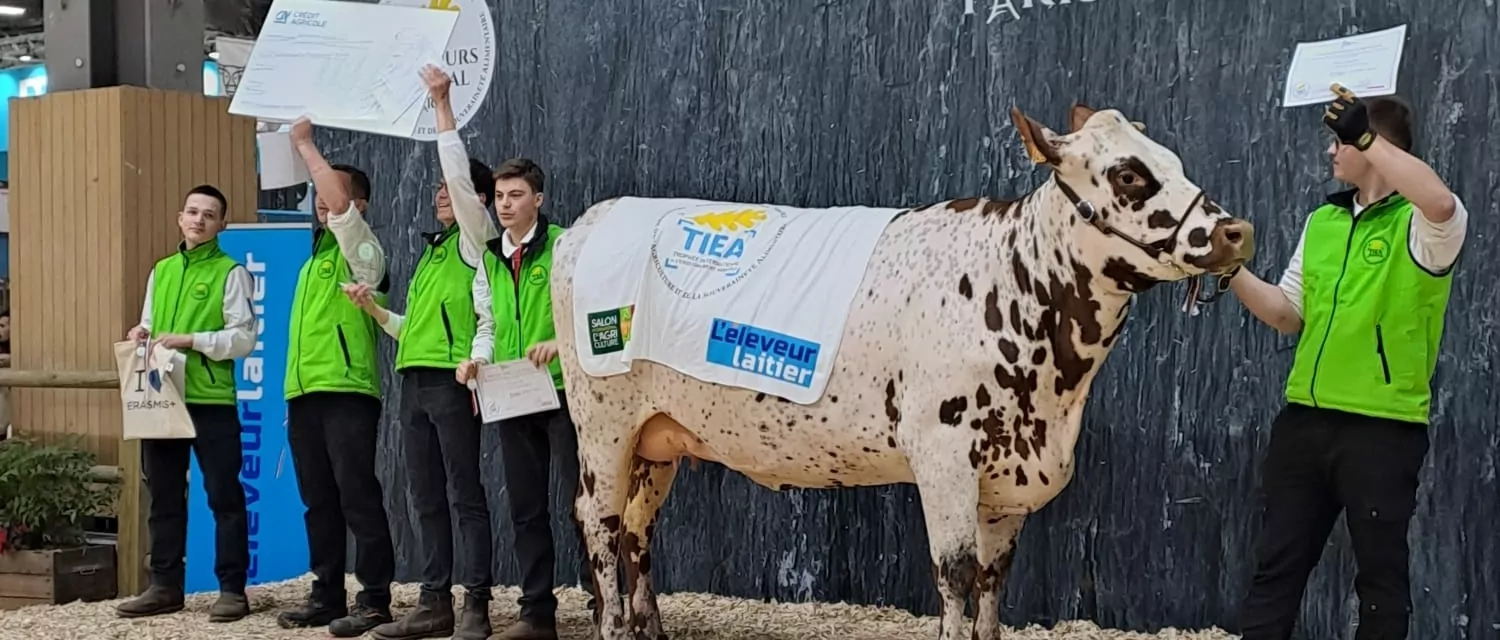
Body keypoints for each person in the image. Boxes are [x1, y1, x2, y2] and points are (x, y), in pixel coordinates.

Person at [1229, 85, 1469, 639]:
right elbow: (1289, 313)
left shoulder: (1424, 224)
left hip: (1382, 429)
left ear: (1374, 143)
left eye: (1341, 141)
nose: (1331, 152)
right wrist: (1231, 272)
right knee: (1276, 568)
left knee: (1380, 581)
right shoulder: (1323, 223)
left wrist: (1364, 132)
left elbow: (1440, 203)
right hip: (1304, 423)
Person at [344, 65, 501, 640]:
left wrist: (441, 107)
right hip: (414, 381)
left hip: (455, 382)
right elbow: (416, 328)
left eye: (451, 191)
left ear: (478, 204)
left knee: (465, 496)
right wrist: (376, 310)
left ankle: (476, 605)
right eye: (436, 190)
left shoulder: (473, 240)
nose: (440, 193)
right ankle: (433, 603)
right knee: (424, 497)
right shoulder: (434, 256)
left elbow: (458, 178)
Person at [273, 117, 398, 637]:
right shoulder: (311, 262)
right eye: (318, 197)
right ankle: (326, 593)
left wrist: (304, 144)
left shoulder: (364, 254)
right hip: (304, 394)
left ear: (358, 206)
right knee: (317, 499)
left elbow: (340, 209)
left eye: (334, 196)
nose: (323, 203)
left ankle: (374, 598)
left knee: (356, 494)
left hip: (347, 391)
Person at [461, 154, 592, 640]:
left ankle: (606, 604)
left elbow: (597, 310)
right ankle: (537, 614)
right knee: (525, 507)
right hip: (511, 395)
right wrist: (476, 359)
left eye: (516, 195)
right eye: (499, 197)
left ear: (538, 199)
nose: (505, 205)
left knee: (584, 503)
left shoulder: (567, 247)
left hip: (561, 392)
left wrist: (562, 343)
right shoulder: (490, 256)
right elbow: (488, 322)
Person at [114, 185, 255, 622]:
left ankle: (232, 589)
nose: (198, 220)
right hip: (163, 396)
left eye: (209, 215)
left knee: (224, 496)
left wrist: (191, 341)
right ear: (180, 218)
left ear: (221, 225)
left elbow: (244, 338)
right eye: (192, 212)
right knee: (163, 496)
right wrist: (141, 331)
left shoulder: (232, 273)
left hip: (211, 399)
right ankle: (164, 585)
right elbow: (152, 322)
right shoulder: (162, 270)